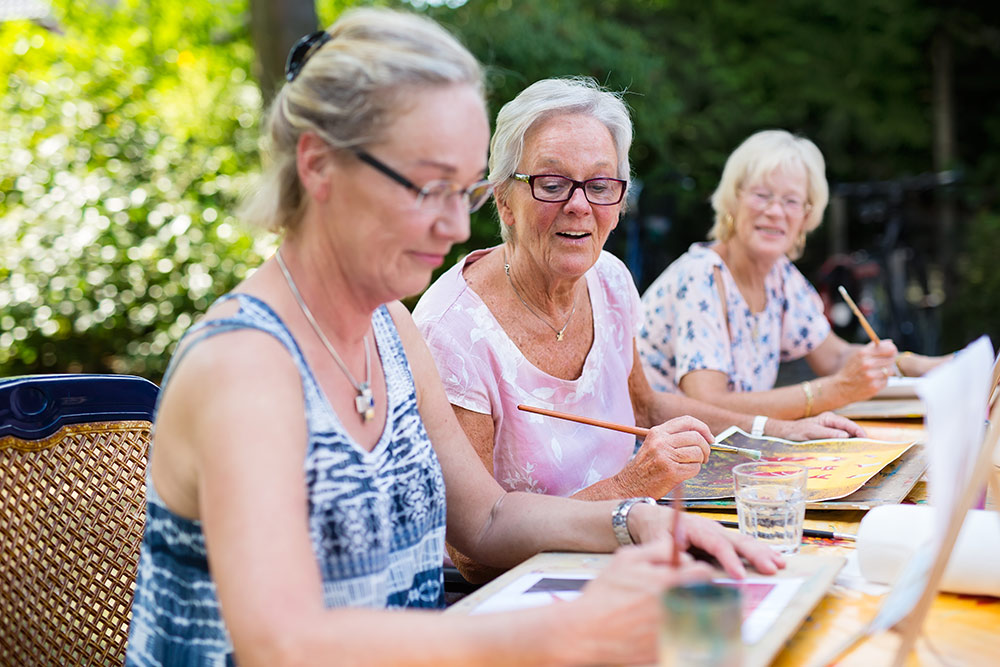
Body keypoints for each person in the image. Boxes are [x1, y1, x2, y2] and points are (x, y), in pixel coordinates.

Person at [124, 11, 785, 666]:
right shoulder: (243, 367)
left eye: (460, 191)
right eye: (427, 187)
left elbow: (487, 519)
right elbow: (283, 643)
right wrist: (560, 633)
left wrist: (636, 519)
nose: (456, 228)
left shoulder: (392, 329)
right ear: (319, 166)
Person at [412, 79, 861, 582]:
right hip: (528, 589)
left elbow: (646, 406)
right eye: (552, 183)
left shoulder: (609, 279)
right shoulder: (451, 332)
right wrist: (630, 488)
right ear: (504, 201)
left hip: (631, 547)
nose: (579, 205)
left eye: (600, 185)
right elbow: (475, 558)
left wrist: (780, 435)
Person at [638, 129, 949, 419]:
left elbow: (836, 357)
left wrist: (917, 364)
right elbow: (707, 405)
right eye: (761, 195)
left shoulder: (780, 277)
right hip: (656, 458)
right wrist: (833, 390)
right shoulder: (702, 275)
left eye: (790, 201)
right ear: (733, 200)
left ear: (805, 216)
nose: (775, 211)